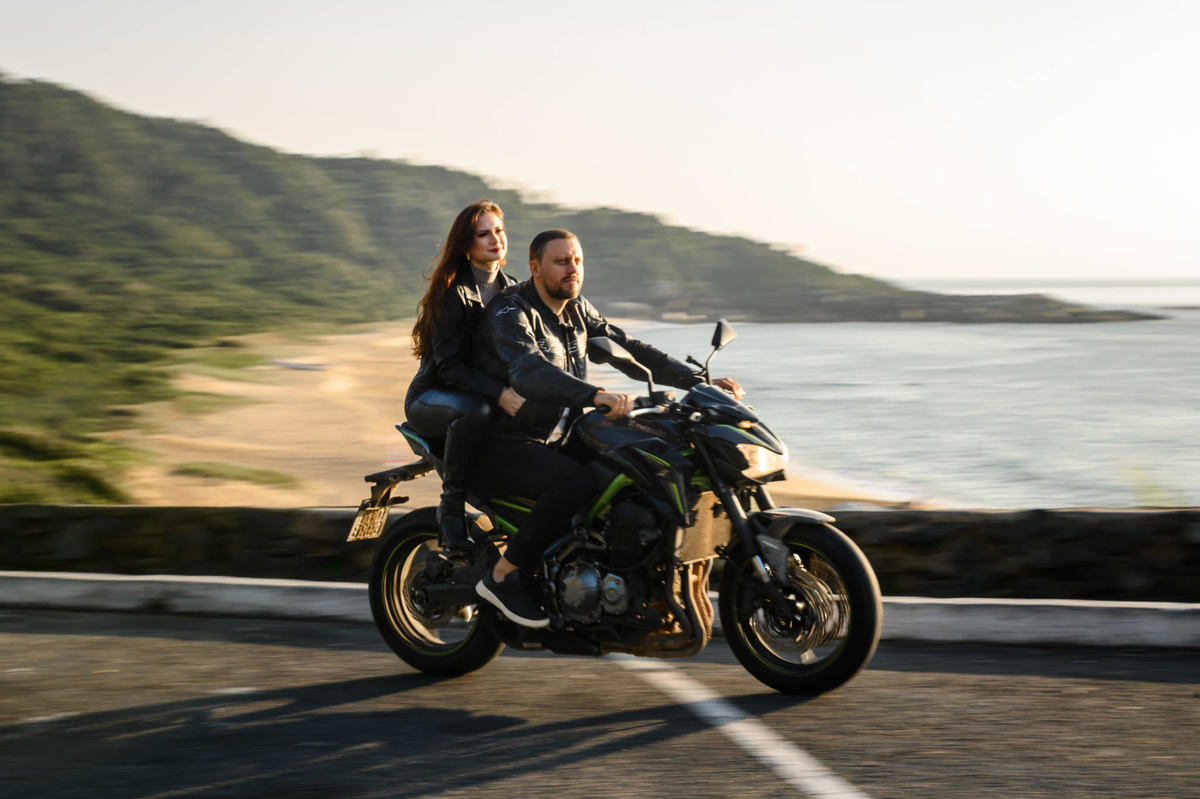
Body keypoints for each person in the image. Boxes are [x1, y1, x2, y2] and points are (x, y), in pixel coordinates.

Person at [471, 228, 743, 628]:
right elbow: (529, 371)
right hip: (505, 441)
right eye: (561, 262)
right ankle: (503, 575)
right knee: (574, 483)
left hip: (559, 437)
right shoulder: (511, 313)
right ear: (535, 267)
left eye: (577, 261)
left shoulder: (577, 308)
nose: (572, 269)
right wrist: (595, 394)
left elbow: (630, 348)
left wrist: (695, 381)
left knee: (639, 462)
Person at [404, 200, 525, 551]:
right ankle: (451, 507)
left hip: (479, 392)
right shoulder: (452, 292)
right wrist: (501, 394)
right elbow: (449, 368)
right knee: (477, 411)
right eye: (483, 234)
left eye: (499, 231)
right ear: (467, 244)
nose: (494, 239)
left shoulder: (515, 289)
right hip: (433, 396)